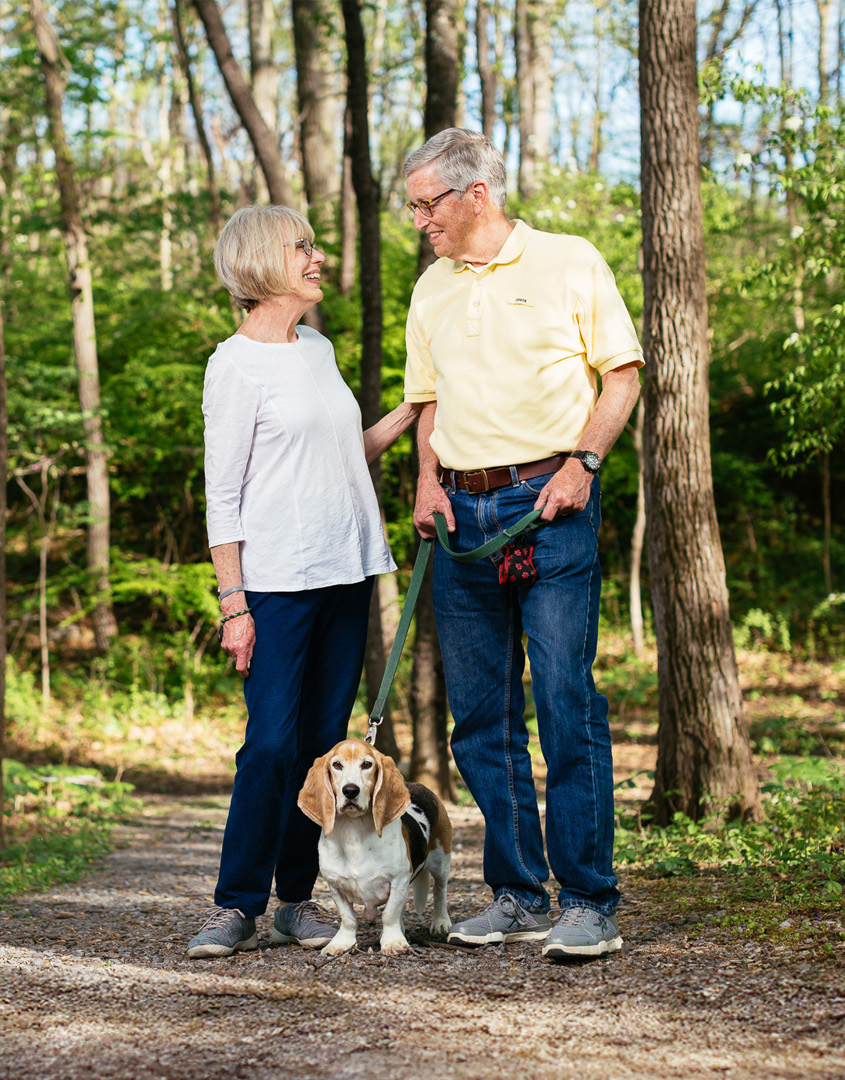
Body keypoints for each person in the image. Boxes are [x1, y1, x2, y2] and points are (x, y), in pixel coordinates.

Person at [401, 129, 642, 961]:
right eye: (413, 207)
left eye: (427, 203)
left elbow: (623, 375)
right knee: (482, 720)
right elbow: (428, 402)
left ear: (476, 195)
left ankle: (588, 901)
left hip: (552, 502)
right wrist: (427, 483)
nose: (419, 220)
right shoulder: (431, 287)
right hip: (461, 515)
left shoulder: (571, 261)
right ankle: (516, 894)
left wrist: (584, 463)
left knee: (566, 703)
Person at [187, 205, 421, 959]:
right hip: (278, 585)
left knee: (324, 747)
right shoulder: (233, 365)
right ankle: (236, 904)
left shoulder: (315, 349)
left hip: (345, 572)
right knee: (270, 745)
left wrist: (415, 410)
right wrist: (234, 604)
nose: (317, 258)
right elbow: (222, 495)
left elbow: (343, 455)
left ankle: (295, 901)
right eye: (303, 248)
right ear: (261, 263)